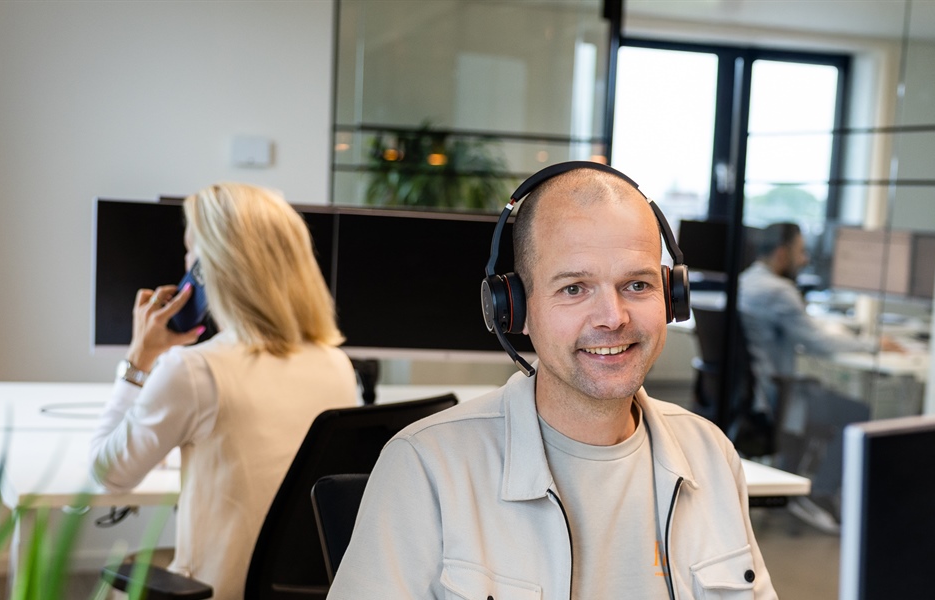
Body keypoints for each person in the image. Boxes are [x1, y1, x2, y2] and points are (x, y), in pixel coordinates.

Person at [329, 164, 776, 599]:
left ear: (671, 297)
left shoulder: (711, 455)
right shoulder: (427, 467)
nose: (612, 318)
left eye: (637, 285)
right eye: (574, 288)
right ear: (516, 310)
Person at [90, 183, 358, 599]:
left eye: (190, 252)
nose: (185, 262)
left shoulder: (194, 369)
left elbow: (109, 474)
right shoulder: (337, 365)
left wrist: (138, 360)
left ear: (207, 268)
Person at [735, 222, 897, 534]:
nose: (806, 259)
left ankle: (797, 487)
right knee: (858, 413)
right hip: (778, 398)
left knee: (827, 395)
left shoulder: (745, 281)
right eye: (801, 251)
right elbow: (818, 344)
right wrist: (873, 344)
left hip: (759, 393)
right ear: (782, 254)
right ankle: (820, 495)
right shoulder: (778, 291)